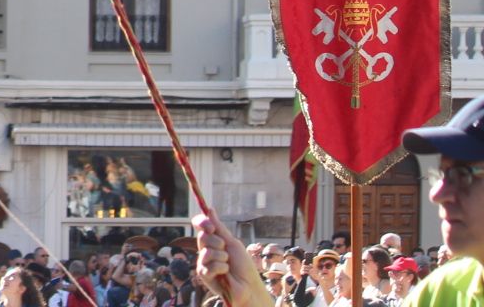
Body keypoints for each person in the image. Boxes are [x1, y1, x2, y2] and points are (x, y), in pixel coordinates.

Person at [198, 94, 484, 307]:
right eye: (442, 174)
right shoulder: (444, 290)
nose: (438, 193)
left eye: (463, 175)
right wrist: (251, 296)